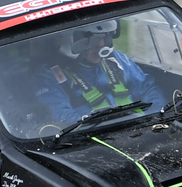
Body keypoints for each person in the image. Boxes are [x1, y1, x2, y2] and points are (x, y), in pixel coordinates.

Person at [35, 20, 166, 125]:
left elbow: (149, 89)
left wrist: (157, 117)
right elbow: (61, 118)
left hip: (142, 127)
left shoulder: (117, 59)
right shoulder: (49, 76)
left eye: (105, 37)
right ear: (69, 40)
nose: (102, 45)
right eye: (91, 39)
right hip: (95, 139)